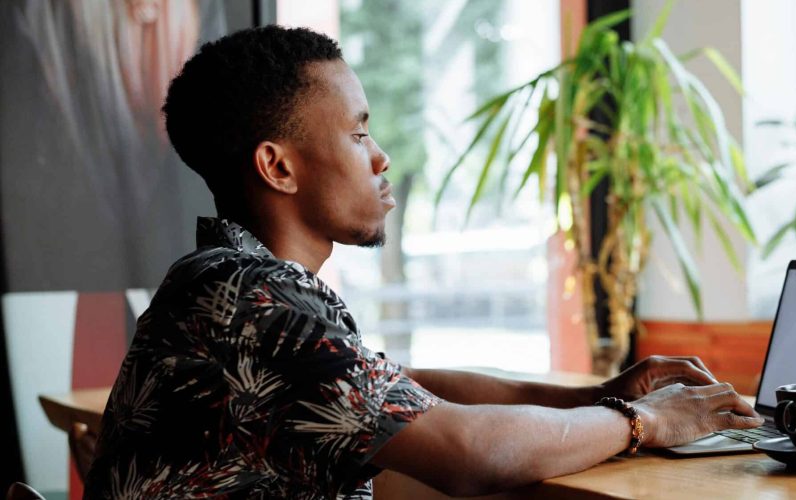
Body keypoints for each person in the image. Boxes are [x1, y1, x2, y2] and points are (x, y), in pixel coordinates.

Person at [83, 25, 761, 499]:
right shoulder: (252, 304)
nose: (379, 157)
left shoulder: (225, 284)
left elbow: (402, 385)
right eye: (357, 132)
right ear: (278, 166)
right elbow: (468, 454)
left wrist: (601, 396)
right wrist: (647, 422)